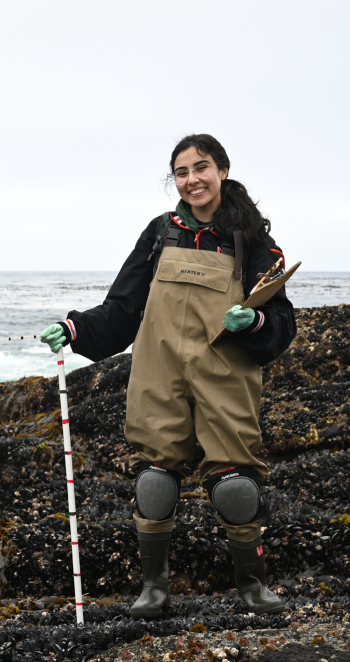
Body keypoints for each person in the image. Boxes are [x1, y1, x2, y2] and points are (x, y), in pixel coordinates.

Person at [37, 133, 295, 617]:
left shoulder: (254, 240)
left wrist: (255, 321)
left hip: (226, 372)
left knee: (236, 486)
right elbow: (124, 306)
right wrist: (74, 328)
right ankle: (154, 590)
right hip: (159, 371)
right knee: (154, 482)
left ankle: (253, 587)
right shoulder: (161, 232)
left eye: (201, 167)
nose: (192, 179)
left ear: (221, 169)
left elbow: (281, 321)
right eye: (182, 171)